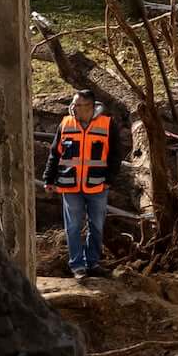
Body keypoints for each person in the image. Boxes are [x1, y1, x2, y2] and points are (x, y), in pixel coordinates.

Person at [42, 90, 126, 278]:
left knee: (96, 225)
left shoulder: (107, 124)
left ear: (89, 106)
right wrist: (48, 178)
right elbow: (55, 153)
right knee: (72, 227)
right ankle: (77, 266)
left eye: (78, 105)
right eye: (73, 105)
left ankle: (93, 263)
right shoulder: (65, 123)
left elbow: (115, 155)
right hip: (70, 185)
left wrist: (109, 180)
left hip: (97, 185)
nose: (74, 108)